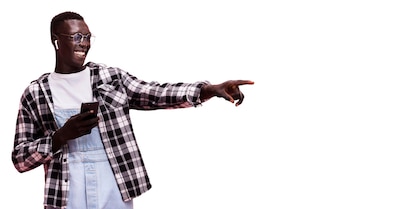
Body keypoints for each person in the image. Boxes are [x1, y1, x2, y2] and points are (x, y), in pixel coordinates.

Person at [11, 11, 254, 209]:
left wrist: (209, 90)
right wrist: (59, 137)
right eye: (76, 37)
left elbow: (156, 93)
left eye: (87, 37)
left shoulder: (110, 77)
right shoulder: (36, 93)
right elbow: (20, 159)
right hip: (65, 193)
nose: (83, 43)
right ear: (56, 40)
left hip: (114, 185)